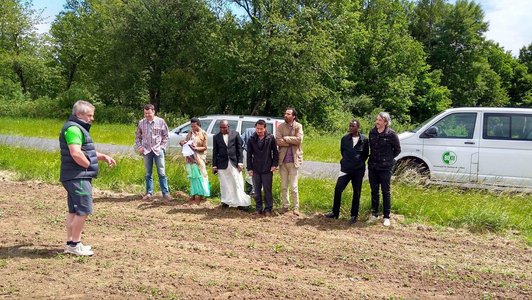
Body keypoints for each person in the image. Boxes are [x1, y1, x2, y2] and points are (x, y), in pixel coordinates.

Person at [59, 100, 116, 256]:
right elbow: (76, 153)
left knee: (74, 210)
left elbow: (85, 152)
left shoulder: (76, 128)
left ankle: (72, 243)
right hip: (78, 176)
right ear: (79, 114)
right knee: (83, 209)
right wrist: (88, 165)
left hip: (73, 176)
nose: (92, 119)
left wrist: (102, 156)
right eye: (89, 115)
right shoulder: (73, 129)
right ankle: (75, 245)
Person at [324, 120, 369, 224]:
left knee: (356, 192)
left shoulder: (364, 140)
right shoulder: (344, 139)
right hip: (345, 169)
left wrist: (359, 163)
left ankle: (354, 215)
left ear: (358, 128)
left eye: (353, 126)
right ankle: (335, 213)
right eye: (350, 126)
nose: (351, 128)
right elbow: (343, 152)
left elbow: (366, 154)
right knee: (338, 189)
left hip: (358, 170)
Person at [367, 112, 401, 227]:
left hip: (385, 167)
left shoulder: (391, 134)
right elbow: (370, 148)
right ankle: (374, 214)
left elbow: (397, 150)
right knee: (374, 191)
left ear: (385, 122)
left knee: (386, 192)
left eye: (380, 120)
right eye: (377, 120)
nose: (377, 122)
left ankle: (386, 216)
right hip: (373, 166)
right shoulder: (372, 132)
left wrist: (388, 159)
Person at [135, 104, 171, 201]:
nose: (147, 115)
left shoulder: (160, 121)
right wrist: (140, 147)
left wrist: (162, 147)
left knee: (162, 172)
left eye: (149, 113)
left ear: (153, 112)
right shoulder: (141, 123)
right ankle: (149, 193)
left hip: (158, 150)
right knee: (148, 173)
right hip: (146, 151)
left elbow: (166, 136)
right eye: (145, 113)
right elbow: (137, 137)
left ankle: (165, 193)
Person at [212, 120, 250, 209]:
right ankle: (226, 201)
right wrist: (214, 165)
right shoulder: (216, 137)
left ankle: (241, 203)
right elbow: (215, 151)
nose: (222, 129)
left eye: (224, 127)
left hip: (234, 162)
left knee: (237, 182)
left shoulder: (235, 134)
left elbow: (239, 149)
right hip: (222, 163)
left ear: (228, 126)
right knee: (224, 183)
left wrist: (240, 162)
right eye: (221, 127)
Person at [247, 120, 279, 217]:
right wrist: (249, 168)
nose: (259, 131)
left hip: (267, 168)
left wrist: (274, 165)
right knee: (256, 190)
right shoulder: (251, 138)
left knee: (267, 190)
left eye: (261, 129)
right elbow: (249, 154)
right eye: (257, 129)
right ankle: (258, 209)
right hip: (256, 168)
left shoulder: (270, 138)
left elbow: (275, 152)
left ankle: (268, 209)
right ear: (255, 128)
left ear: (265, 128)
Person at [276, 107, 303, 216]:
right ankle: (285, 206)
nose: (285, 115)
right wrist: (291, 141)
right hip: (282, 161)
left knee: (293, 186)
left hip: (294, 160)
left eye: (288, 114)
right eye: (285, 113)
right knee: (283, 186)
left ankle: (296, 207)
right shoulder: (281, 126)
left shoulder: (298, 126)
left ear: (293, 116)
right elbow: (278, 141)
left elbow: (299, 140)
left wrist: (286, 138)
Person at [180, 117, 210, 202]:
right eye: (191, 126)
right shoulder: (190, 133)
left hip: (199, 158)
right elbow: (186, 142)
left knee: (201, 176)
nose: (193, 128)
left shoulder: (203, 133)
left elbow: (205, 147)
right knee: (192, 176)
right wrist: (183, 143)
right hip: (190, 157)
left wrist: (195, 148)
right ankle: (193, 194)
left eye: (194, 126)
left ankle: (203, 194)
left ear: (198, 125)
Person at [241, 127, 256, 195]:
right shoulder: (263, 131)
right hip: (258, 154)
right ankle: (255, 190)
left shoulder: (247, 130)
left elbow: (241, 140)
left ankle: (248, 190)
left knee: (248, 171)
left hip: (247, 152)